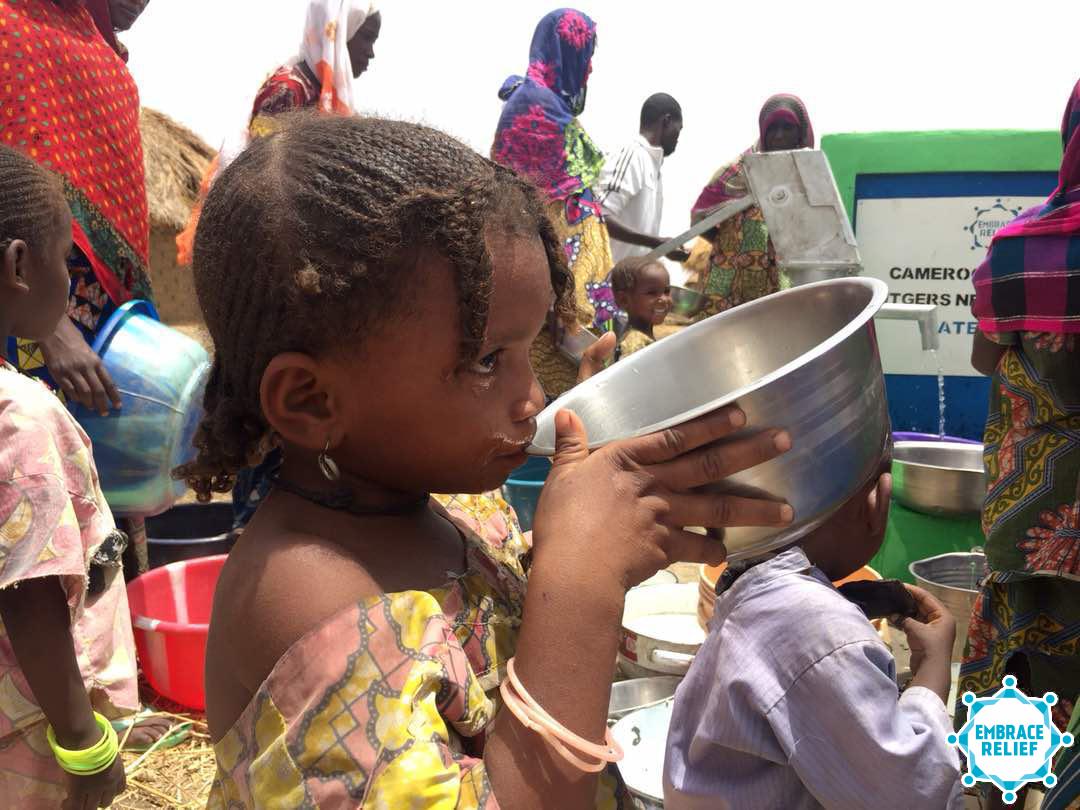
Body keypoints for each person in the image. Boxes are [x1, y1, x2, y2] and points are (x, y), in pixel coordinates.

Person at [183, 112, 795, 809]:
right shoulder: (310, 604)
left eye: (528, 350)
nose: (532, 398)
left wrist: (596, 536)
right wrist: (582, 582)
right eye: (486, 361)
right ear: (311, 400)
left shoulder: (456, 505)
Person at [664, 468, 966, 809]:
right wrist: (931, 673)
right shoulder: (824, 633)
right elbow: (912, 795)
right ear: (877, 501)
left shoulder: (754, 589)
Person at [0, 144, 138, 809]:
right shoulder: (20, 419)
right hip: (35, 732)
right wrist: (86, 746)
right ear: (19, 266)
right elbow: (28, 598)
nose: (69, 280)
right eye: (65, 259)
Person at [963, 78, 1080, 810]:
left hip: (1035, 512)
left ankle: (1003, 793)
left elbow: (985, 358)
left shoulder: (1019, 250)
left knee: (1020, 672)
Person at [175, 0, 382, 266]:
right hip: (263, 248)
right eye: (367, 38)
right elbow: (260, 179)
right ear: (341, 32)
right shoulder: (288, 91)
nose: (371, 53)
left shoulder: (323, 99)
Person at [492, 8, 612, 398]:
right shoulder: (536, 105)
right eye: (585, 54)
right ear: (566, 54)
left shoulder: (544, 103)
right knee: (555, 393)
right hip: (555, 281)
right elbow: (541, 206)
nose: (588, 67)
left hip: (558, 278)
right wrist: (568, 296)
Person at [689, 94, 815, 318]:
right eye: (772, 128)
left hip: (780, 280)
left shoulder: (809, 175)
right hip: (729, 280)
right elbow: (699, 219)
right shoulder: (737, 171)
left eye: (787, 128)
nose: (779, 135)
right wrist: (729, 247)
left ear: (800, 132)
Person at [599, 93, 689, 264]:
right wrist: (656, 242)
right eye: (679, 129)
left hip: (630, 278)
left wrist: (662, 247)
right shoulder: (633, 155)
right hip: (607, 276)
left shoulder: (654, 168)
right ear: (666, 121)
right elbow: (598, 215)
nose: (678, 137)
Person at [610, 256, 671, 359]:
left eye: (666, 291)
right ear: (624, 300)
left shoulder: (641, 338)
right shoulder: (634, 344)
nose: (664, 299)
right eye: (651, 293)